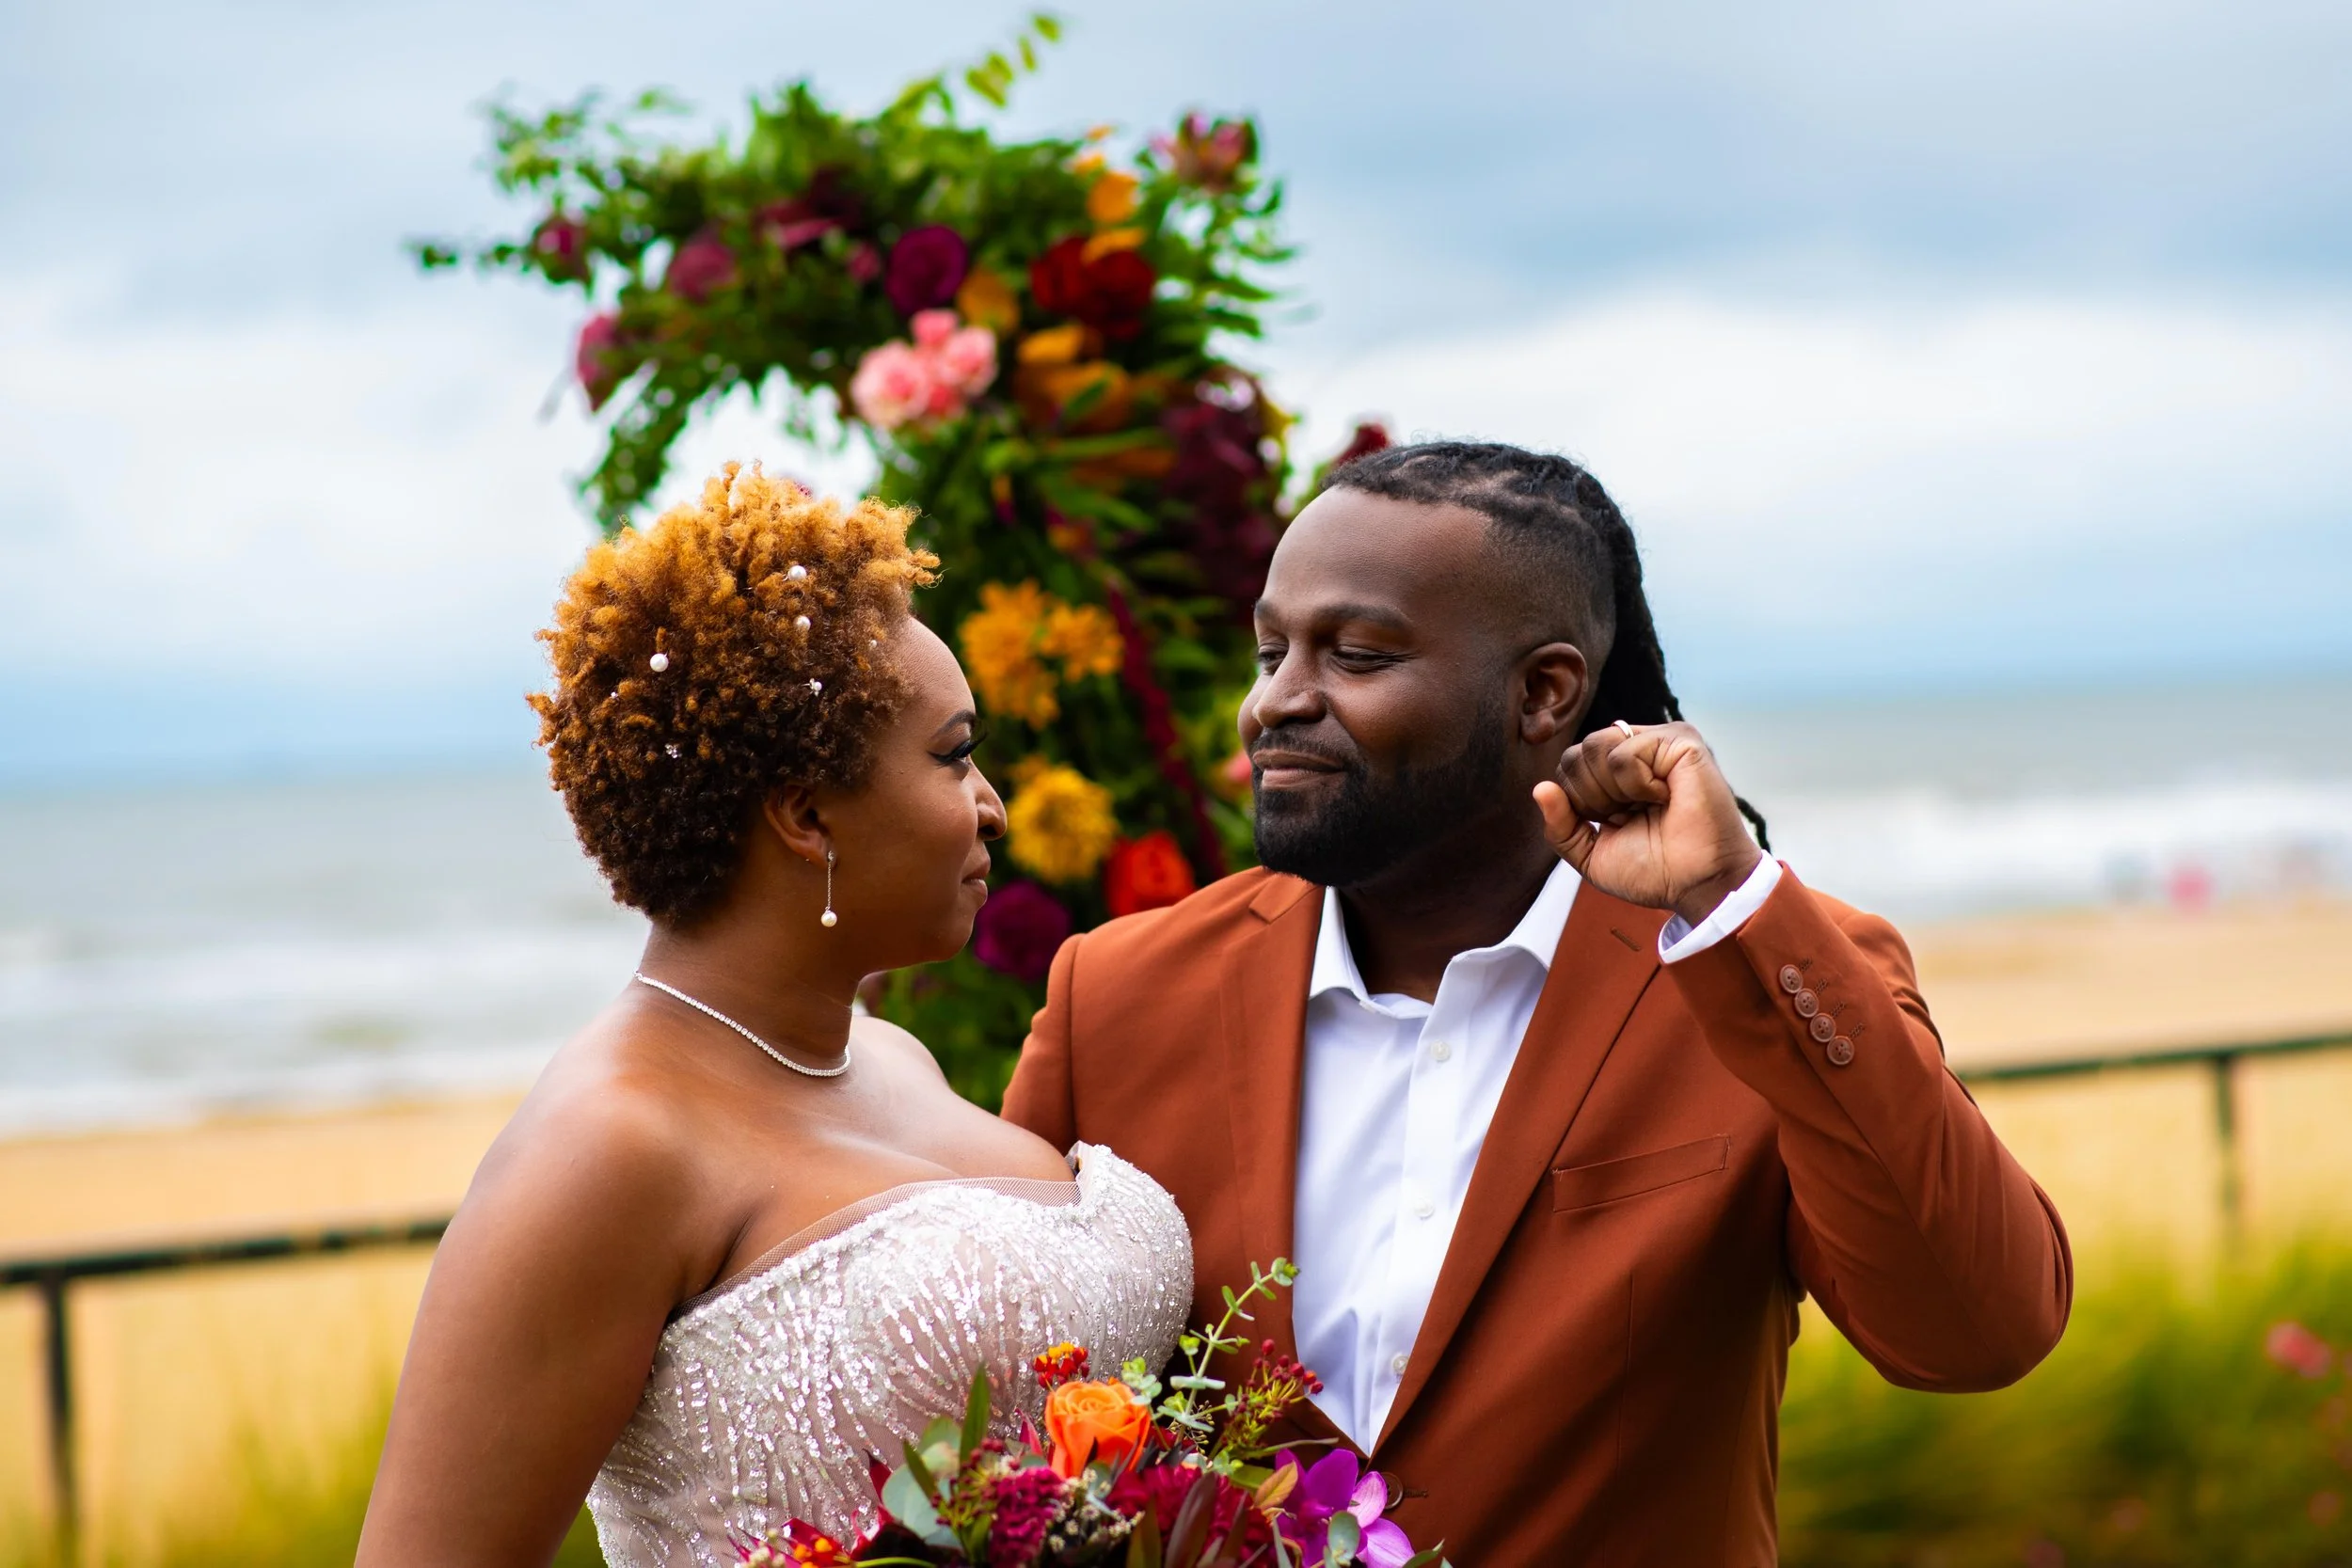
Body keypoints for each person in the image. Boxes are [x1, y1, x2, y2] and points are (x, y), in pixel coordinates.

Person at [1003, 440, 2073, 1565]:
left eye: (1355, 654)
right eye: (1270, 649)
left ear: (1542, 692)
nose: (1273, 702)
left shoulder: (1754, 971)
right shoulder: (1118, 994)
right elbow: (1005, 1404)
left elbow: (1977, 1328)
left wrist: (1736, 905)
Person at [357, 465, 1192, 1568]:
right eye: (954, 755)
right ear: (807, 814)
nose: (989, 804)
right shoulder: (607, 1145)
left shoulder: (892, 1056)